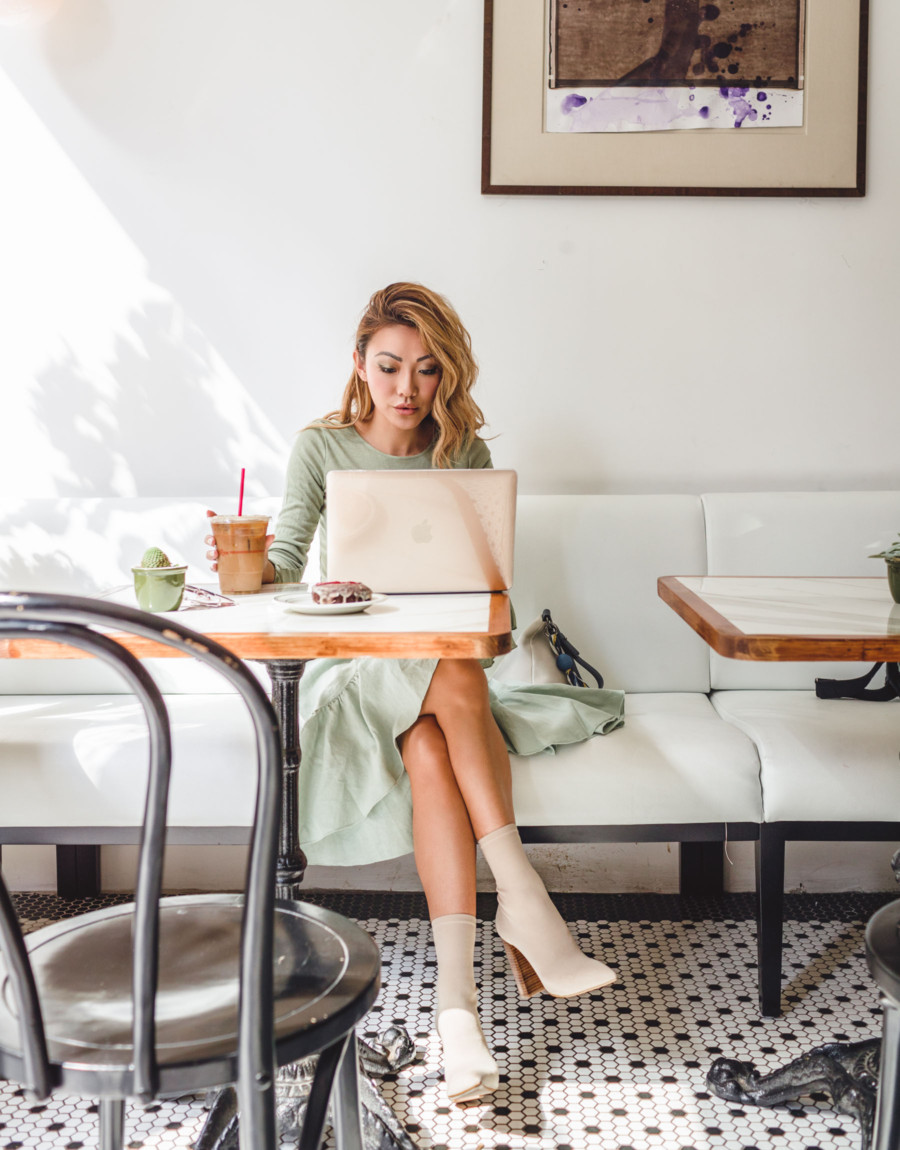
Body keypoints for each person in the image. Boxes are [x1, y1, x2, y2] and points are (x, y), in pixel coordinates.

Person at [206, 282, 625, 1104]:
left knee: (436, 731)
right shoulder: (322, 447)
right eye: (391, 366)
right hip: (353, 667)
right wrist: (248, 561)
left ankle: (457, 1012)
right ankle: (524, 899)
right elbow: (290, 555)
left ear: (446, 377)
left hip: (438, 670)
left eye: (427, 371)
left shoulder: (457, 448)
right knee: (453, 676)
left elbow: (483, 582)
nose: (407, 388)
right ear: (360, 363)